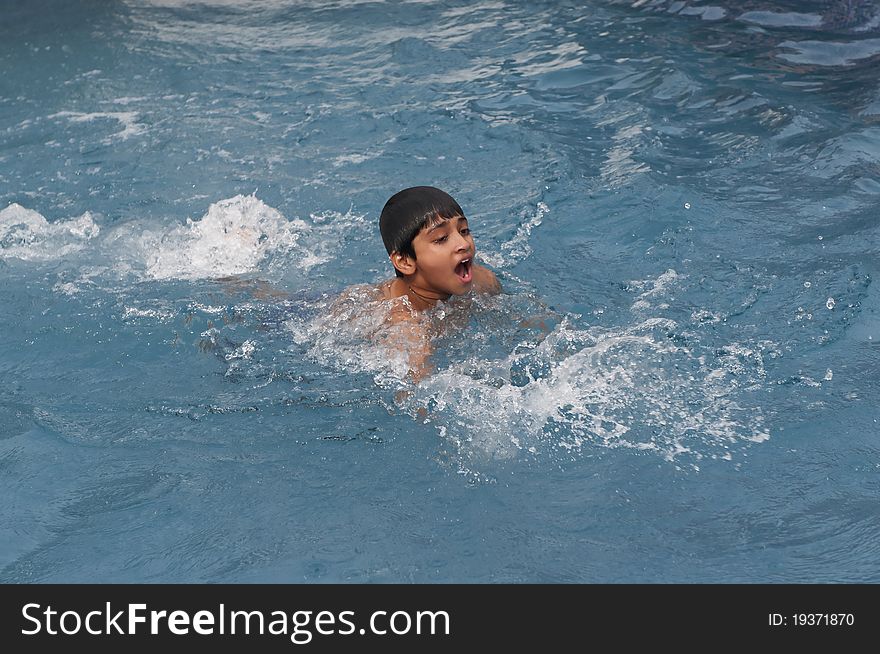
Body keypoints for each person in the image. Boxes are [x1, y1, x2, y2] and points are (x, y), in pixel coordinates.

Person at [337, 186, 502, 384]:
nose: (463, 244)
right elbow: (413, 396)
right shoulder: (404, 326)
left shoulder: (483, 281)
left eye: (464, 230)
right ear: (405, 261)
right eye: (441, 239)